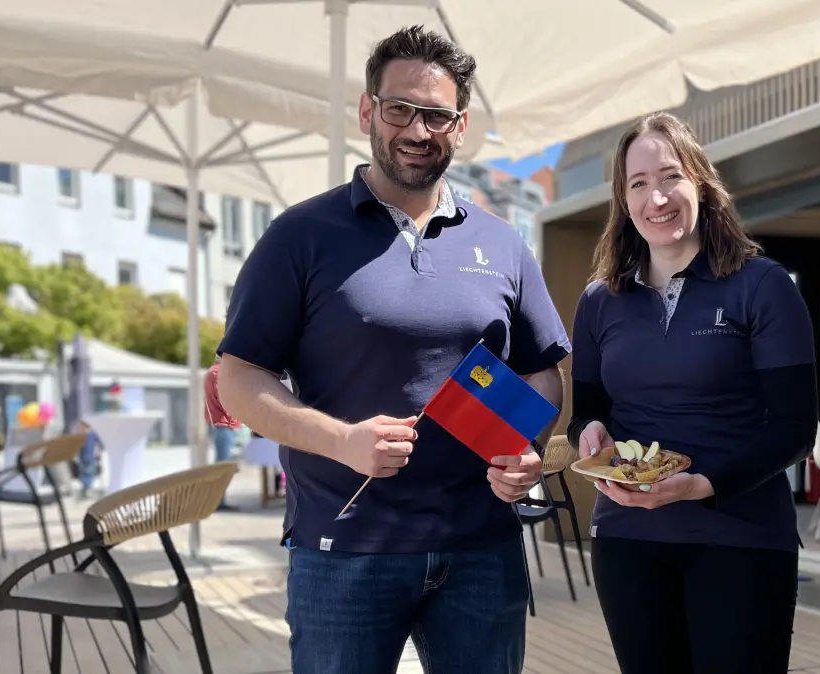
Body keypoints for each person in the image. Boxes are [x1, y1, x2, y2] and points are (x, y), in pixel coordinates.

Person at [214, 26, 568, 674]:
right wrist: (341, 440)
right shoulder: (300, 236)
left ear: (460, 127)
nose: (417, 129)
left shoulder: (504, 244)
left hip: (481, 550)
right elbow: (239, 378)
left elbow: (542, 373)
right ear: (368, 111)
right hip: (343, 549)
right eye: (400, 108)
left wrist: (526, 446)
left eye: (436, 114)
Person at [567, 112, 818, 673]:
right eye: (638, 184)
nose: (656, 197)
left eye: (670, 176)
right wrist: (589, 435)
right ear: (623, 200)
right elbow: (587, 413)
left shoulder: (764, 286)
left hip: (742, 539)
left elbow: (796, 430)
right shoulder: (598, 302)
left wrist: (701, 485)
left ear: (700, 183)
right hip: (628, 540)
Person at [204, 356, 240, 511]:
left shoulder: (213, 372)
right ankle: (219, 501)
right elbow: (227, 400)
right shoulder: (219, 373)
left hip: (219, 424)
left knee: (222, 464)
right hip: (223, 424)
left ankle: (219, 500)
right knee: (223, 465)